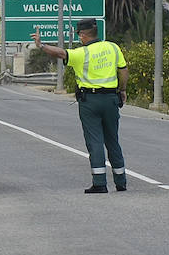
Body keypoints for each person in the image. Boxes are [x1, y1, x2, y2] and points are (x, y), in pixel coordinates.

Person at [35, 18, 128, 194]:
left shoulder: (81, 54)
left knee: (95, 141)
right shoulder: (113, 48)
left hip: (90, 101)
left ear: (83, 35)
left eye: (79, 34)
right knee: (112, 140)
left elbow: (60, 53)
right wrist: (122, 90)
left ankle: (100, 183)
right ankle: (121, 181)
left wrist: (41, 45)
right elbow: (123, 70)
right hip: (111, 99)